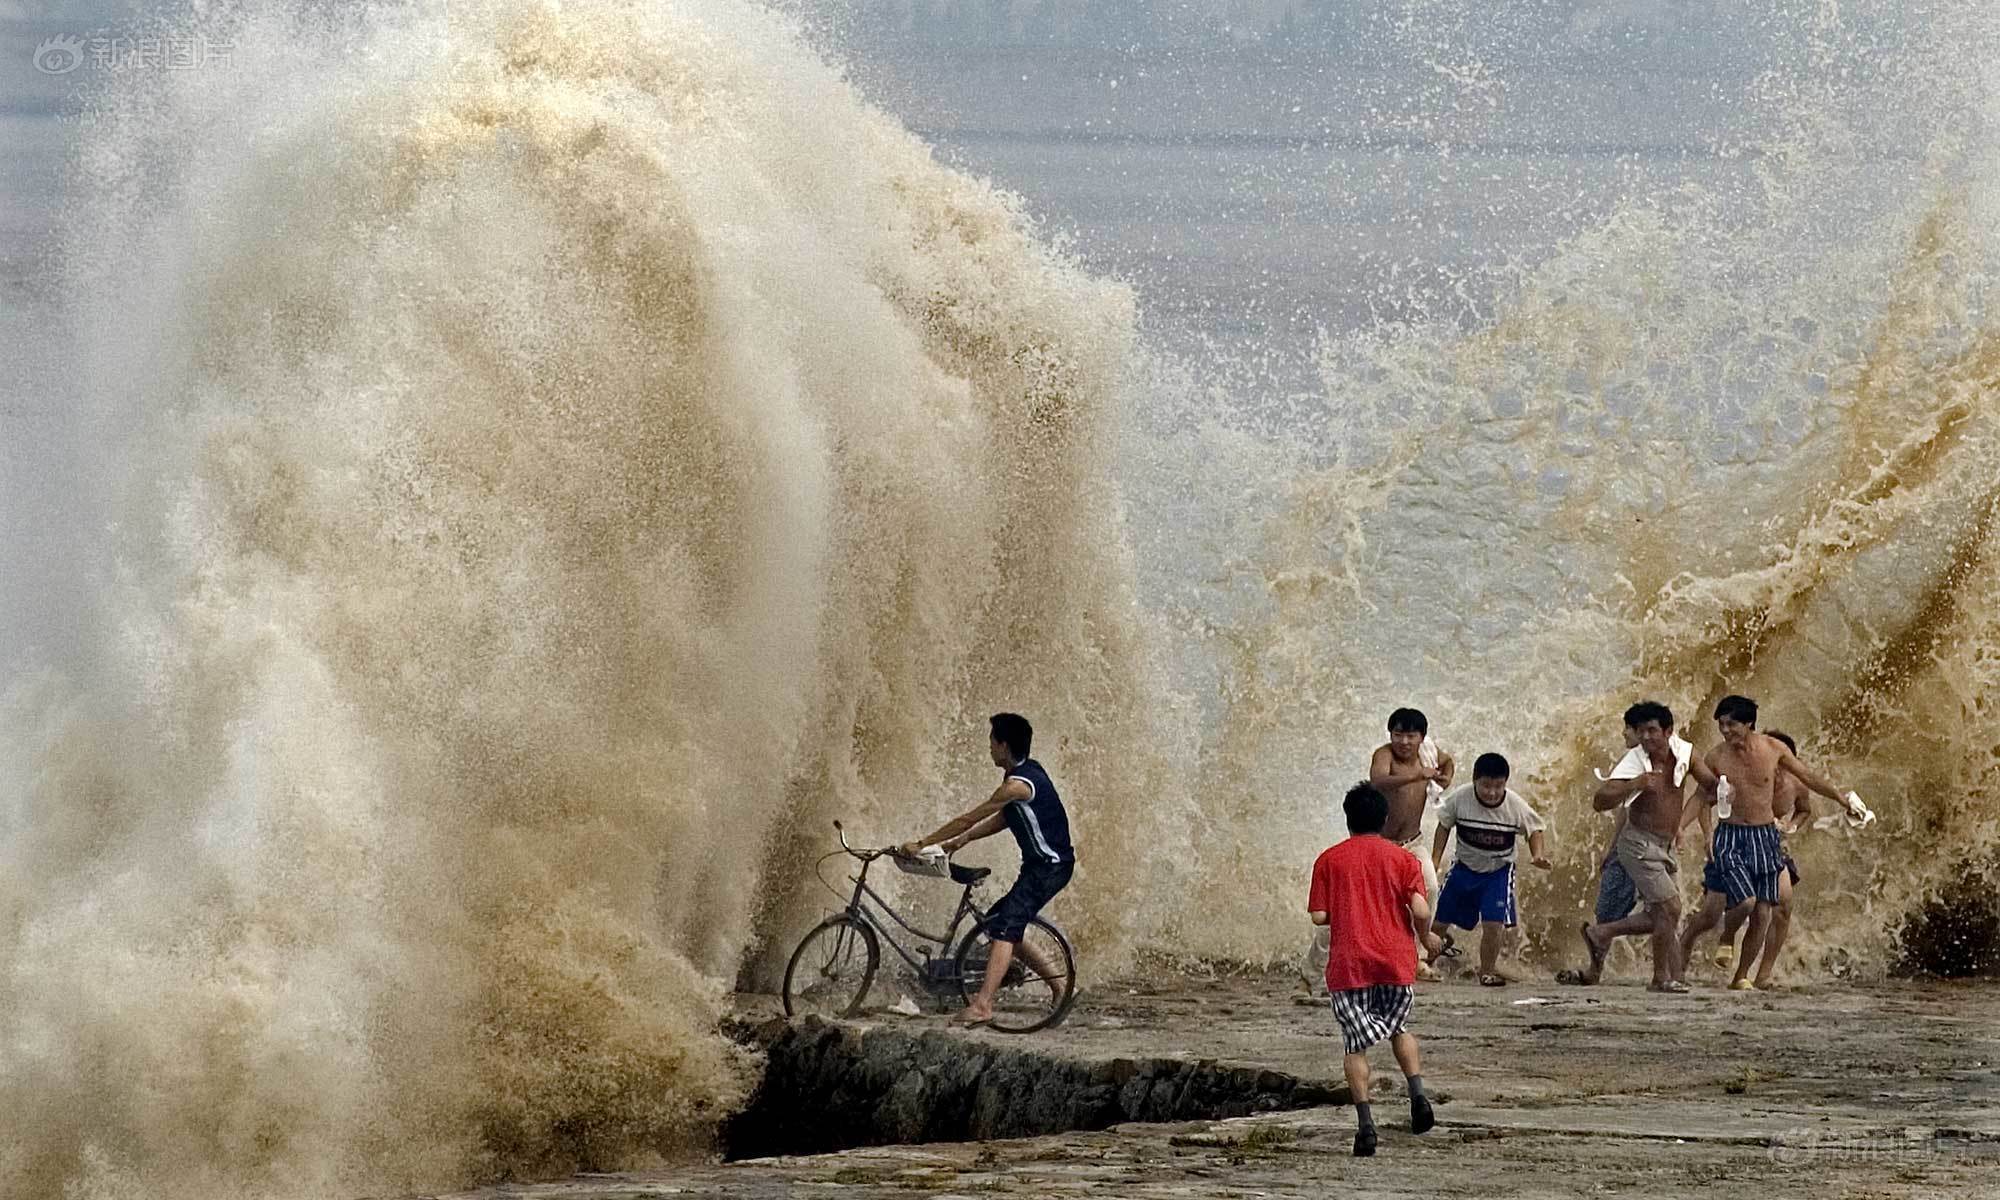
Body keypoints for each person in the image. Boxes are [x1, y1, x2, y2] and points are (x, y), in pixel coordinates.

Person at [902, 712, 1074, 1026]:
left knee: (1005, 929)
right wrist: (962, 841)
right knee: (1003, 923)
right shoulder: (1027, 773)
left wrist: (922, 842)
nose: (989, 747)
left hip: (1049, 868)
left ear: (1004, 746)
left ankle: (983, 1005)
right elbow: (1008, 817)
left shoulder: (1015, 786)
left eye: (992, 741)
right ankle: (1060, 987)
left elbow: (970, 816)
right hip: (1043, 865)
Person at [1676, 697, 1857, 991]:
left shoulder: (1774, 750)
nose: (1725, 731)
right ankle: (1726, 937)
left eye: (1731, 724)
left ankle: (1741, 977)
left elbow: (1807, 777)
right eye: (1721, 725)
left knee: (1763, 912)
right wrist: (1681, 828)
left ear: (1748, 724)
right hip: (1731, 837)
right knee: (1744, 902)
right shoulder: (1716, 756)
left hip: (1765, 837)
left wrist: (1840, 797)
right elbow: (1701, 797)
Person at [1308, 782, 1440, 1157]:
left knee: (1355, 1044)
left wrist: (1345, 909)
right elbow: (1420, 910)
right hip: (1394, 960)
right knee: (1399, 1028)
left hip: (1350, 965)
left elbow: (1320, 916)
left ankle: (1366, 1123)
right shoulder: (1403, 860)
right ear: (1384, 819)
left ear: (1347, 819)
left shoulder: (1329, 860)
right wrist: (1427, 940)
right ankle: (1417, 1095)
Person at [1579, 701, 1715, 993]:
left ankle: (1603, 934)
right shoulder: (1634, 761)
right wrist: (1634, 784)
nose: (1646, 738)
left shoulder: (1685, 754)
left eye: (1652, 731)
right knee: (1671, 907)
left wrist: (1684, 822)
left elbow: (1709, 787)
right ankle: (1661, 978)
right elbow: (1600, 800)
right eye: (1641, 731)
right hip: (1638, 843)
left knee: (1663, 914)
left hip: (1664, 846)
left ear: (1668, 731)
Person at [1430, 753, 1550, 986]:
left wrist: (1537, 855)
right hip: (1463, 868)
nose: (1492, 792)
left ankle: (1487, 971)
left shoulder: (1514, 805)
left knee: (1493, 925)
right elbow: (1444, 825)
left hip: (1498, 873)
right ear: (1475, 780)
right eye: (1486, 785)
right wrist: (1435, 858)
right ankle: (1427, 963)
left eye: (1498, 786)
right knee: (1439, 923)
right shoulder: (1460, 798)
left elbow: (1535, 829)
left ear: (1505, 783)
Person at [1711, 730, 1807, 984]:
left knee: (1781, 906)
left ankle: (1762, 973)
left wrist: (1791, 827)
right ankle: (1714, 947)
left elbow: (1804, 811)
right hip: (1738, 847)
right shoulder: (1747, 775)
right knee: (1715, 912)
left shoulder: (1796, 784)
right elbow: (1711, 799)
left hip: (1774, 850)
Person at [1368, 708, 1456, 977]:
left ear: (1422, 737)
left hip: (1413, 841)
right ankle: (1375, 953)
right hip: (1381, 843)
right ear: (1390, 735)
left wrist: (1446, 777)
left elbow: (1448, 760)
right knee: (1376, 902)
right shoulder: (1384, 754)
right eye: (1398, 735)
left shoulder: (1428, 752)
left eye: (1410, 736)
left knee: (1429, 888)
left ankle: (1416, 956)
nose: (1404, 742)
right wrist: (1417, 776)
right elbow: (1378, 780)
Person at [1555, 728, 1641, 987]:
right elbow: (1624, 812)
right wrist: (1611, 846)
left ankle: (1669, 970)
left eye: (1629, 728)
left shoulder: (1644, 763)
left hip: (1641, 848)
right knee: (1611, 911)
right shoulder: (1634, 763)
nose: (1624, 733)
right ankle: (1596, 969)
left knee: (1663, 911)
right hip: (1630, 847)